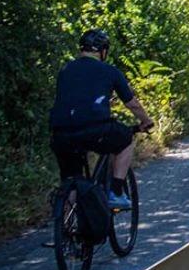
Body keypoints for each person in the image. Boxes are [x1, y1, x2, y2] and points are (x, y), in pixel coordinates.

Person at [49, 29, 154, 209]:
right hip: (95, 129)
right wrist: (146, 121)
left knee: (71, 178)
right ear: (103, 51)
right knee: (126, 140)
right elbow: (132, 104)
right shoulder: (110, 71)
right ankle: (116, 192)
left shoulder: (65, 70)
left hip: (60, 134)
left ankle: (66, 220)